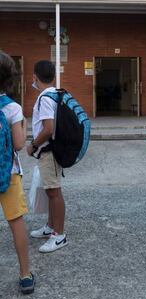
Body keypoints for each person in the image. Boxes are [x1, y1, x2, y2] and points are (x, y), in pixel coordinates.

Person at [0, 51, 35, 294]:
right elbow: (19, 144)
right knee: (16, 222)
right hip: (8, 174)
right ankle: (24, 275)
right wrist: (23, 123)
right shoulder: (12, 107)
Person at [27, 60, 68, 253]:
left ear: (35, 76)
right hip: (52, 150)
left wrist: (33, 145)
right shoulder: (55, 94)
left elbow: (48, 128)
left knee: (54, 192)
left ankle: (58, 236)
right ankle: (50, 227)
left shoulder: (45, 98)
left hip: (48, 151)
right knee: (51, 191)